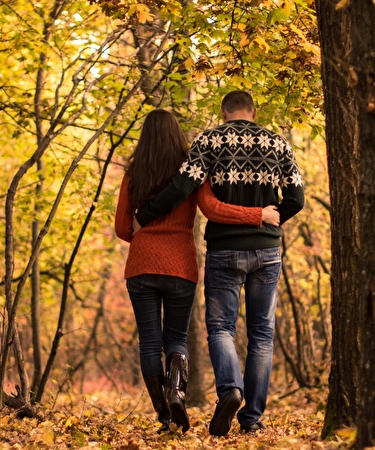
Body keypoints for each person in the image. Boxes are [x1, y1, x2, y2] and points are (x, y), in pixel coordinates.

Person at [133, 91, 304, 436]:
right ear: (254, 111)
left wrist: (146, 215)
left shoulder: (210, 140)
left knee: (222, 328)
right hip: (267, 252)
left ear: (223, 112)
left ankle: (231, 390)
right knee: (262, 335)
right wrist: (271, 220)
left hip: (224, 249)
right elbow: (296, 198)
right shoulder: (278, 143)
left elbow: (183, 186)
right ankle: (251, 419)